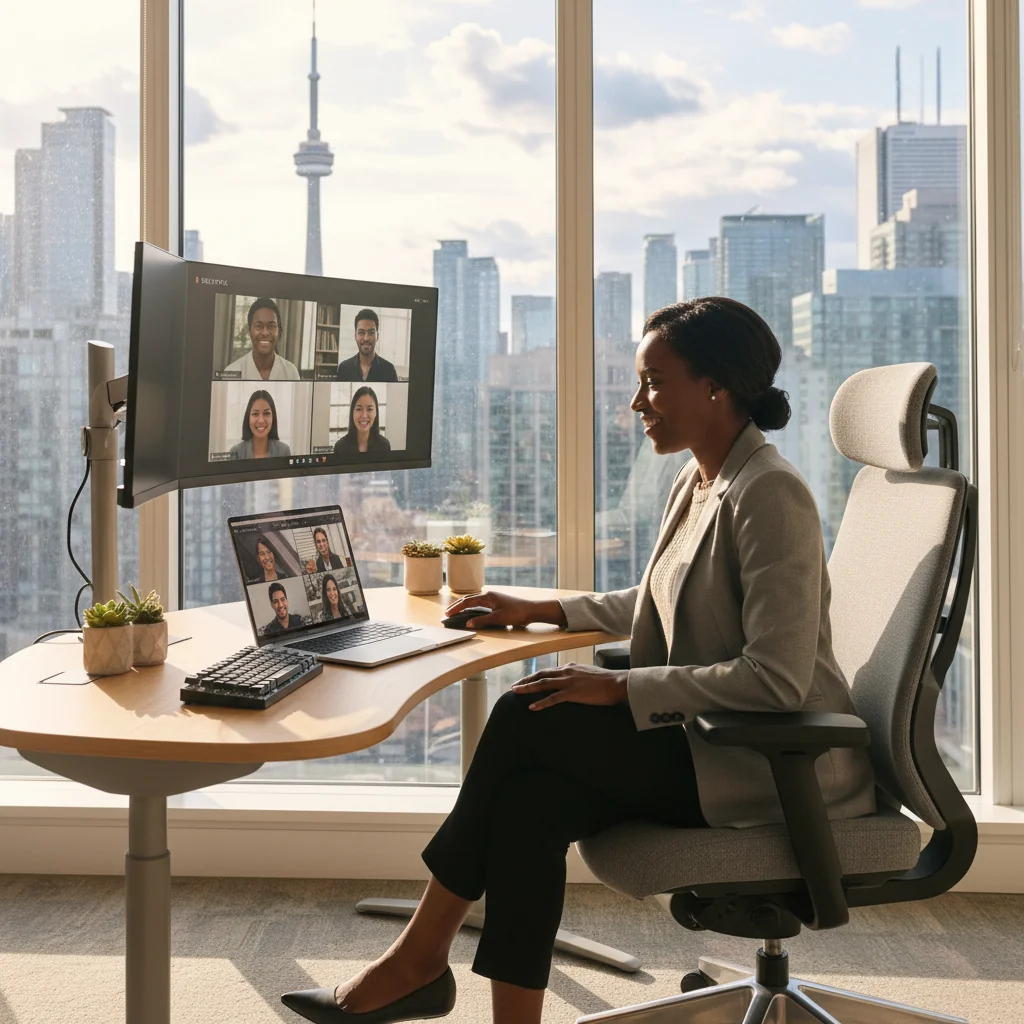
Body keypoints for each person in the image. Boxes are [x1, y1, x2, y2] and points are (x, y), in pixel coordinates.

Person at [281, 297, 878, 1024]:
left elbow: (777, 681)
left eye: (654, 382)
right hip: (710, 742)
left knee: (524, 709)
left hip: (772, 765)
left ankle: (417, 959)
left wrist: (621, 688)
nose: (636, 403)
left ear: (716, 387)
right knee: (532, 804)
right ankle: (478, 999)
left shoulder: (770, 494)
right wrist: (542, 610)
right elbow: (661, 599)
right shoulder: (700, 478)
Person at [223, 298, 300, 381]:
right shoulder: (231, 372)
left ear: (279, 331)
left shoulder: (291, 372)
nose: (265, 333)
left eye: (271, 326)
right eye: (258, 326)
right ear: (250, 330)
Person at [335, 308, 399, 382]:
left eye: (371, 332)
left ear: (377, 336)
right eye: (361, 332)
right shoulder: (344, 369)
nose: (366, 338)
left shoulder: (389, 370)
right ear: (355, 336)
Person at [229, 390, 291, 460]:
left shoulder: (283, 452)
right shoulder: (236, 453)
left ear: (273, 418)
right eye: (255, 414)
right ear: (248, 418)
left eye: (266, 413)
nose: (261, 420)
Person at [332, 387, 392, 458]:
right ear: (352, 412)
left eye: (369, 409)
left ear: (376, 413)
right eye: (359, 409)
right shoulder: (340, 447)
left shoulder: (384, 446)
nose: (364, 415)